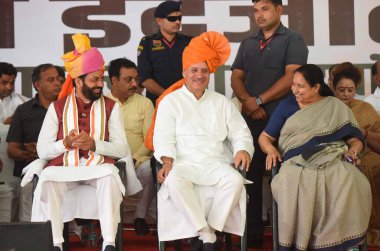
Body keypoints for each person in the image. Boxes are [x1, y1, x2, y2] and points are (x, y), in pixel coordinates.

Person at [151, 31, 254, 250]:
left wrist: (242, 149)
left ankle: (211, 231)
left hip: (215, 163)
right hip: (184, 163)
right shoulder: (170, 102)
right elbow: (163, 137)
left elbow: (241, 133)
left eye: (204, 71)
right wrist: (167, 162)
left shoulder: (221, 102)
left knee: (235, 181)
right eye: (194, 70)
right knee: (173, 181)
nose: (199, 75)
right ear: (184, 72)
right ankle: (205, 232)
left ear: (210, 74)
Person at [31, 34, 130, 251]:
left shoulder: (112, 107)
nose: (99, 85)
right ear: (78, 81)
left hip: (97, 167)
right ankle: (56, 243)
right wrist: (64, 144)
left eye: (101, 79)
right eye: (94, 80)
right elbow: (42, 150)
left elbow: (122, 148)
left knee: (110, 177)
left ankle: (109, 243)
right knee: (48, 179)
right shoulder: (56, 108)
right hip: (66, 168)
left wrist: (94, 145)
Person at [258, 64, 371, 250]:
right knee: (290, 181)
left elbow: (355, 139)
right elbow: (265, 137)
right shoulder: (286, 105)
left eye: (300, 86)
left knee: (349, 179)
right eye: (293, 85)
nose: (294, 89)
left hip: (333, 157)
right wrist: (271, 150)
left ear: (316, 87)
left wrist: (353, 151)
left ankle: (340, 243)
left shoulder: (334, 105)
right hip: (295, 162)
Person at [230, 0, 308, 245]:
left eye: (264, 9)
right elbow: (236, 76)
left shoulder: (293, 39)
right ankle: (253, 233)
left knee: (283, 177)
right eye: (255, 10)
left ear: (279, 10)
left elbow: (292, 77)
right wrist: (248, 101)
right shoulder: (248, 42)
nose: (259, 15)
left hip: (282, 120)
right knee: (249, 176)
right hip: (249, 120)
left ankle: (286, 235)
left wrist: (259, 100)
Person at [6, 63, 61, 221]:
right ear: (38, 85)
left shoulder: (68, 107)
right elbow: (12, 150)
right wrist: (27, 152)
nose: (57, 83)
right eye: (51, 80)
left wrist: (47, 150)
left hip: (60, 167)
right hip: (31, 170)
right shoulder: (23, 111)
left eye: (58, 79)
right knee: (30, 184)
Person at [332, 64, 380, 247]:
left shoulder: (365, 107)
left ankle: (375, 230)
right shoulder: (327, 107)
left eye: (350, 90)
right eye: (341, 90)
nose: (346, 94)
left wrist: (365, 134)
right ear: (333, 88)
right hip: (336, 156)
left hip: (368, 154)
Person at [107, 58, 155, 236]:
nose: (135, 84)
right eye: (129, 79)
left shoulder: (145, 103)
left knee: (150, 170)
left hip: (138, 161)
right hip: (110, 162)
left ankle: (140, 216)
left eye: (136, 79)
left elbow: (150, 139)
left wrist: (133, 158)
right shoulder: (102, 103)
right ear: (114, 80)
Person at [137, 0, 192, 106]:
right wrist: (169, 96)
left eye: (179, 18)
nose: (177, 22)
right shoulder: (147, 43)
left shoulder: (189, 42)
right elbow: (144, 78)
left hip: (185, 103)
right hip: (157, 103)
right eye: (172, 18)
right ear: (159, 21)